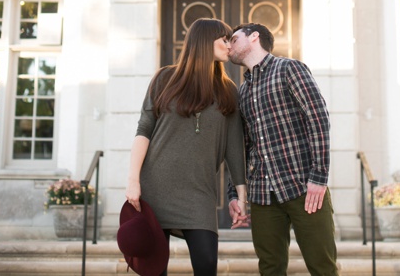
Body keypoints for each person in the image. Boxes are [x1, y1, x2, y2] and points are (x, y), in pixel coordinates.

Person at [125, 18, 246, 276]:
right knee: (154, 270)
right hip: (155, 188)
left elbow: (235, 147)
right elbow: (143, 130)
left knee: (206, 266)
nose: (229, 45)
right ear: (203, 41)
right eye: (223, 39)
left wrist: (241, 196)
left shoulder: (228, 91)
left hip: (199, 194)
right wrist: (133, 180)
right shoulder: (164, 78)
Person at [225, 22, 338, 276]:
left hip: (304, 189)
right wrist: (235, 194)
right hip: (263, 195)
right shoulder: (242, 91)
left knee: (323, 267)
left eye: (233, 38)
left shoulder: (289, 69)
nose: (228, 45)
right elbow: (243, 146)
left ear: (254, 37)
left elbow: (318, 118)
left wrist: (319, 177)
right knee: (270, 268)